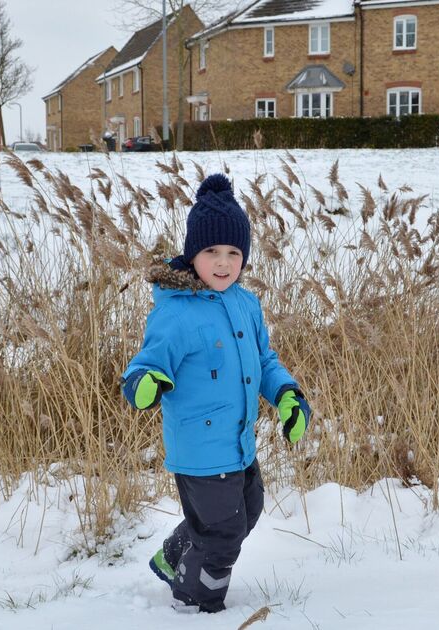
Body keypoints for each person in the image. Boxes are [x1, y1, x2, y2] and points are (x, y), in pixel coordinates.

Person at [122, 173, 312, 613]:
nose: (223, 263)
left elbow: (264, 361)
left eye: (233, 252)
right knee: (224, 533)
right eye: (211, 252)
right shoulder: (177, 314)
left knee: (249, 507)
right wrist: (145, 385)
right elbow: (143, 368)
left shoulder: (245, 303)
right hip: (200, 449)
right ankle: (197, 603)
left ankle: (174, 558)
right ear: (193, 256)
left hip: (239, 442)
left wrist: (286, 393)